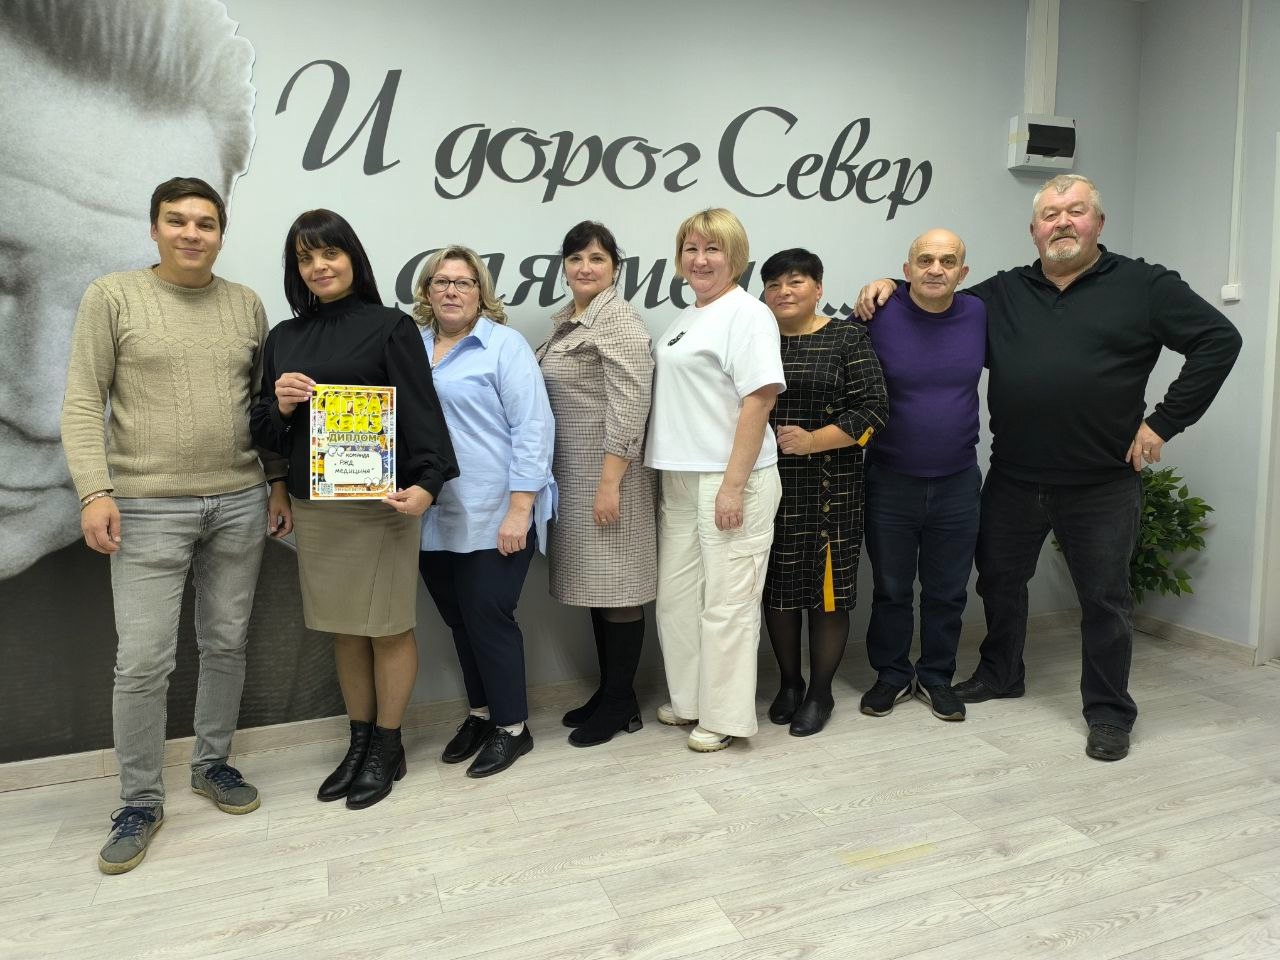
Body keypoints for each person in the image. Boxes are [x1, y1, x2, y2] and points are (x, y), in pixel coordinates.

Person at [856, 175, 1241, 761]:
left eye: (1076, 211)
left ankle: (1108, 712)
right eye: (1050, 214)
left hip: (1102, 481)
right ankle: (1001, 673)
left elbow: (1219, 339)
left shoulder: (1145, 285)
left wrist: (1163, 423)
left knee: (1104, 600)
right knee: (999, 584)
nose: (1062, 222)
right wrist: (887, 283)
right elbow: (935, 294)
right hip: (1014, 475)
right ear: (1034, 230)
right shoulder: (1002, 293)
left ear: (1098, 223)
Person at [61, 177, 288, 875]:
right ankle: (139, 800)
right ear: (155, 228)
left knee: (225, 642)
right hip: (145, 505)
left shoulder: (246, 304)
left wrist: (276, 483)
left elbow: (261, 408)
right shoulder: (113, 296)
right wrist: (94, 490)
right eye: (177, 220)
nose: (192, 233)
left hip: (239, 499)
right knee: (143, 662)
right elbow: (82, 400)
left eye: (206, 223)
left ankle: (212, 763)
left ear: (221, 233)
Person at [251, 210, 457, 810]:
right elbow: (261, 428)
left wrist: (428, 483)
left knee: (388, 626)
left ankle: (388, 745)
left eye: (329, 253)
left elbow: (421, 412)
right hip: (319, 507)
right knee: (345, 627)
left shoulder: (390, 327)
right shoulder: (283, 338)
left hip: (381, 505)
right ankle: (359, 741)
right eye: (305, 258)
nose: (319, 266)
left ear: (352, 258)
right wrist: (281, 408)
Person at [645, 208, 785, 752]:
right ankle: (690, 700)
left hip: (732, 479)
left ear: (736, 257)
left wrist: (732, 486)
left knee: (728, 605)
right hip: (681, 476)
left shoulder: (748, 314)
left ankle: (724, 717)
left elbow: (759, 400)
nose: (700, 260)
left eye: (713, 249)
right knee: (677, 600)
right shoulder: (687, 317)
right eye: (691, 249)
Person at [414, 246, 557, 778]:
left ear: (481, 292)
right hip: (431, 513)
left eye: (464, 282)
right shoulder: (411, 345)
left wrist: (521, 509)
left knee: (488, 618)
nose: (452, 291)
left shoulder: (504, 345)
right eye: (441, 281)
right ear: (427, 291)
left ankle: (513, 727)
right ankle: (481, 713)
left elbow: (533, 428)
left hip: (494, 509)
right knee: (458, 620)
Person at [535, 222, 657, 747]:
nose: (585, 267)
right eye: (576, 258)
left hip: (612, 477)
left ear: (615, 268)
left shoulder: (618, 320)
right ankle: (612, 694)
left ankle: (620, 702)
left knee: (619, 589)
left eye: (598, 258)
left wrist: (609, 484)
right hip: (579, 475)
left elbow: (632, 405)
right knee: (598, 588)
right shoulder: (572, 320)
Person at [759, 249, 887, 737]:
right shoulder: (757, 337)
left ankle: (820, 692)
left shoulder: (846, 337)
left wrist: (813, 441)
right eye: (774, 284)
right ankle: (790, 684)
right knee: (779, 590)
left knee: (827, 596)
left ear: (818, 288)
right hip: (767, 487)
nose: (784, 292)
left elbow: (875, 410)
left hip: (832, 488)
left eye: (795, 282)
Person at [860, 229, 985, 724]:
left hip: (958, 481)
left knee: (948, 591)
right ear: (906, 269)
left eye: (948, 261)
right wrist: (882, 285)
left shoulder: (979, 313)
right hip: (890, 479)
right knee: (890, 589)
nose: (936, 269)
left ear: (963, 272)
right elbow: (836, 360)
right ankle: (891, 674)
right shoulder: (877, 312)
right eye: (925, 260)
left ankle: (936, 676)